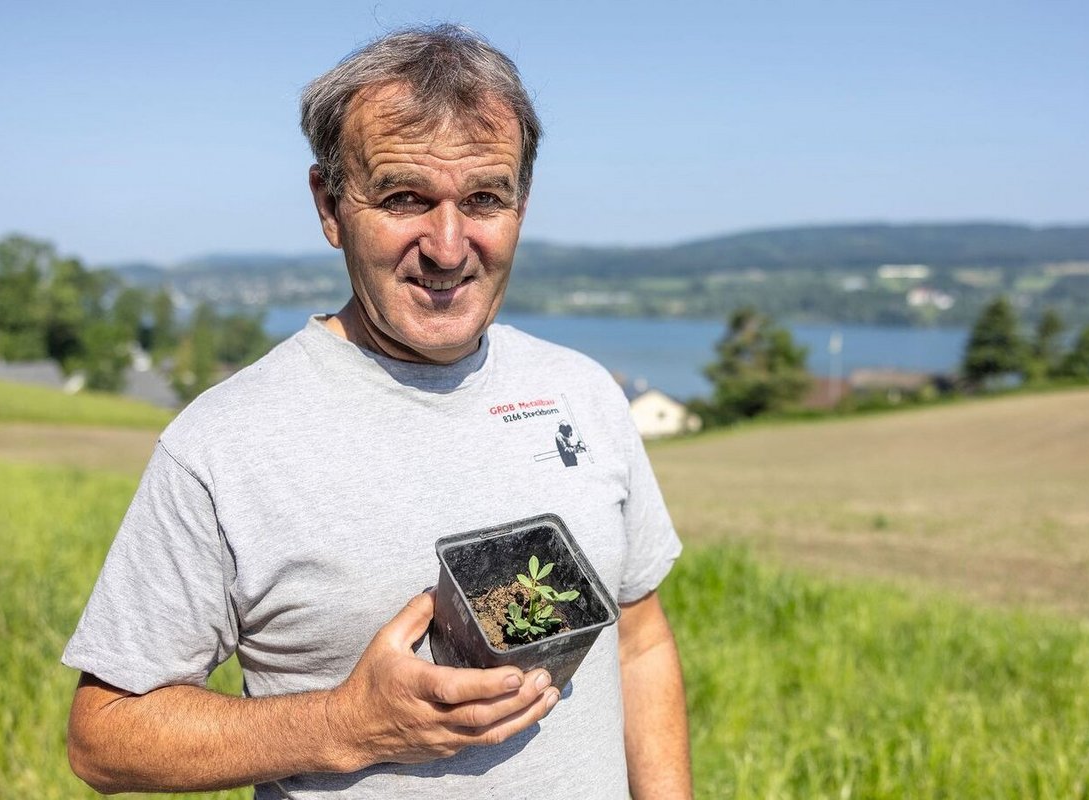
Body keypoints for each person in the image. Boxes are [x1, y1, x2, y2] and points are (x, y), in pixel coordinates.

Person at [63, 24, 691, 799]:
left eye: (485, 198)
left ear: (522, 204)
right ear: (330, 206)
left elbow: (638, 641)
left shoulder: (584, 392)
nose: (449, 245)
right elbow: (105, 736)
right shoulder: (224, 442)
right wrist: (341, 725)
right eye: (404, 198)